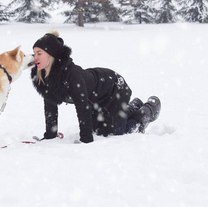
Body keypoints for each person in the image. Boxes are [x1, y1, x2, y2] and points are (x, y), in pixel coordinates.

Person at [31, 30, 161, 143]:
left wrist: (86, 139)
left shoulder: (72, 75)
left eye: (39, 53)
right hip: (96, 98)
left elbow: (82, 107)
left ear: (51, 55)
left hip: (115, 88)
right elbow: (50, 105)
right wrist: (50, 135)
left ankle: (147, 111)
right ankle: (132, 107)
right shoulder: (44, 76)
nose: (35, 57)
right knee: (99, 129)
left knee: (115, 133)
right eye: (34, 53)